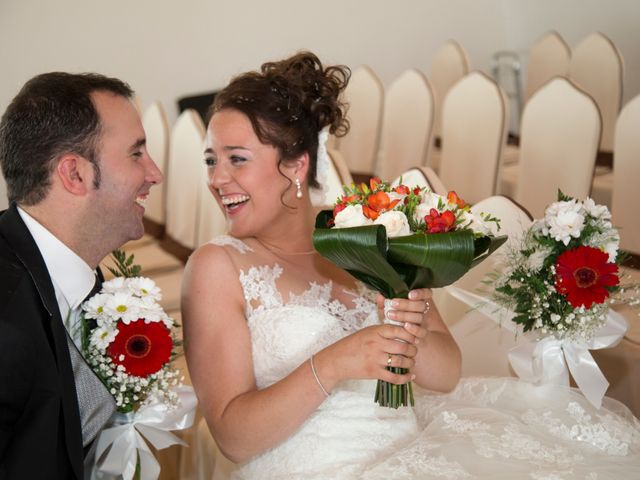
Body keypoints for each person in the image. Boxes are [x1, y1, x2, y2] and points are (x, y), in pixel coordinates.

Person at [182, 52, 640, 479]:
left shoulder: (362, 237)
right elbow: (233, 437)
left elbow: (445, 374)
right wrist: (335, 364)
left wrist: (409, 334)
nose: (217, 179)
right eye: (210, 161)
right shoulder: (216, 266)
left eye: (236, 160)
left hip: (415, 448)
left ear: (296, 165)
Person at [0, 72, 163, 479]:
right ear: (74, 175)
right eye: (136, 154)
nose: (155, 173)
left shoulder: (77, 270)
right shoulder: (6, 324)